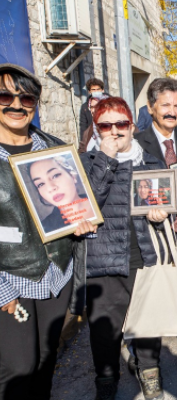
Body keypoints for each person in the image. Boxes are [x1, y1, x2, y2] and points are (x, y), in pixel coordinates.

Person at [0, 63, 95, 400]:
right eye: (4, 96)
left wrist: (83, 223)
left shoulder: (54, 148)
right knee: (17, 368)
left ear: (35, 104)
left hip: (56, 273)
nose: (15, 105)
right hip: (12, 281)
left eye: (26, 99)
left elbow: (77, 205)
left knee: (46, 360)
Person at [79, 97, 168, 400]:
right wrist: (106, 157)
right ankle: (106, 380)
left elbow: (165, 200)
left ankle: (149, 370)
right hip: (103, 260)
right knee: (105, 329)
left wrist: (160, 214)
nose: (114, 131)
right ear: (96, 128)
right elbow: (86, 206)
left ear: (132, 126)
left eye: (121, 124)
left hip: (142, 254)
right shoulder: (87, 162)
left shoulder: (150, 161)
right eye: (106, 125)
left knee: (147, 322)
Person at [133, 78, 177, 399]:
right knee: (150, 296)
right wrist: (145, 210)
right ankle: (147, 363)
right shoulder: (135, 145)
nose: (173, 112)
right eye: (166, 105)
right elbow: (128, 191)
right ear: (151, 109)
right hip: (151, 234)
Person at [27, 156, 95, 233]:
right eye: (41, 184)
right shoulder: (46, 229)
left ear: (72, 176)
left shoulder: (101, 199)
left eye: (55, 176)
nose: (51, 188)